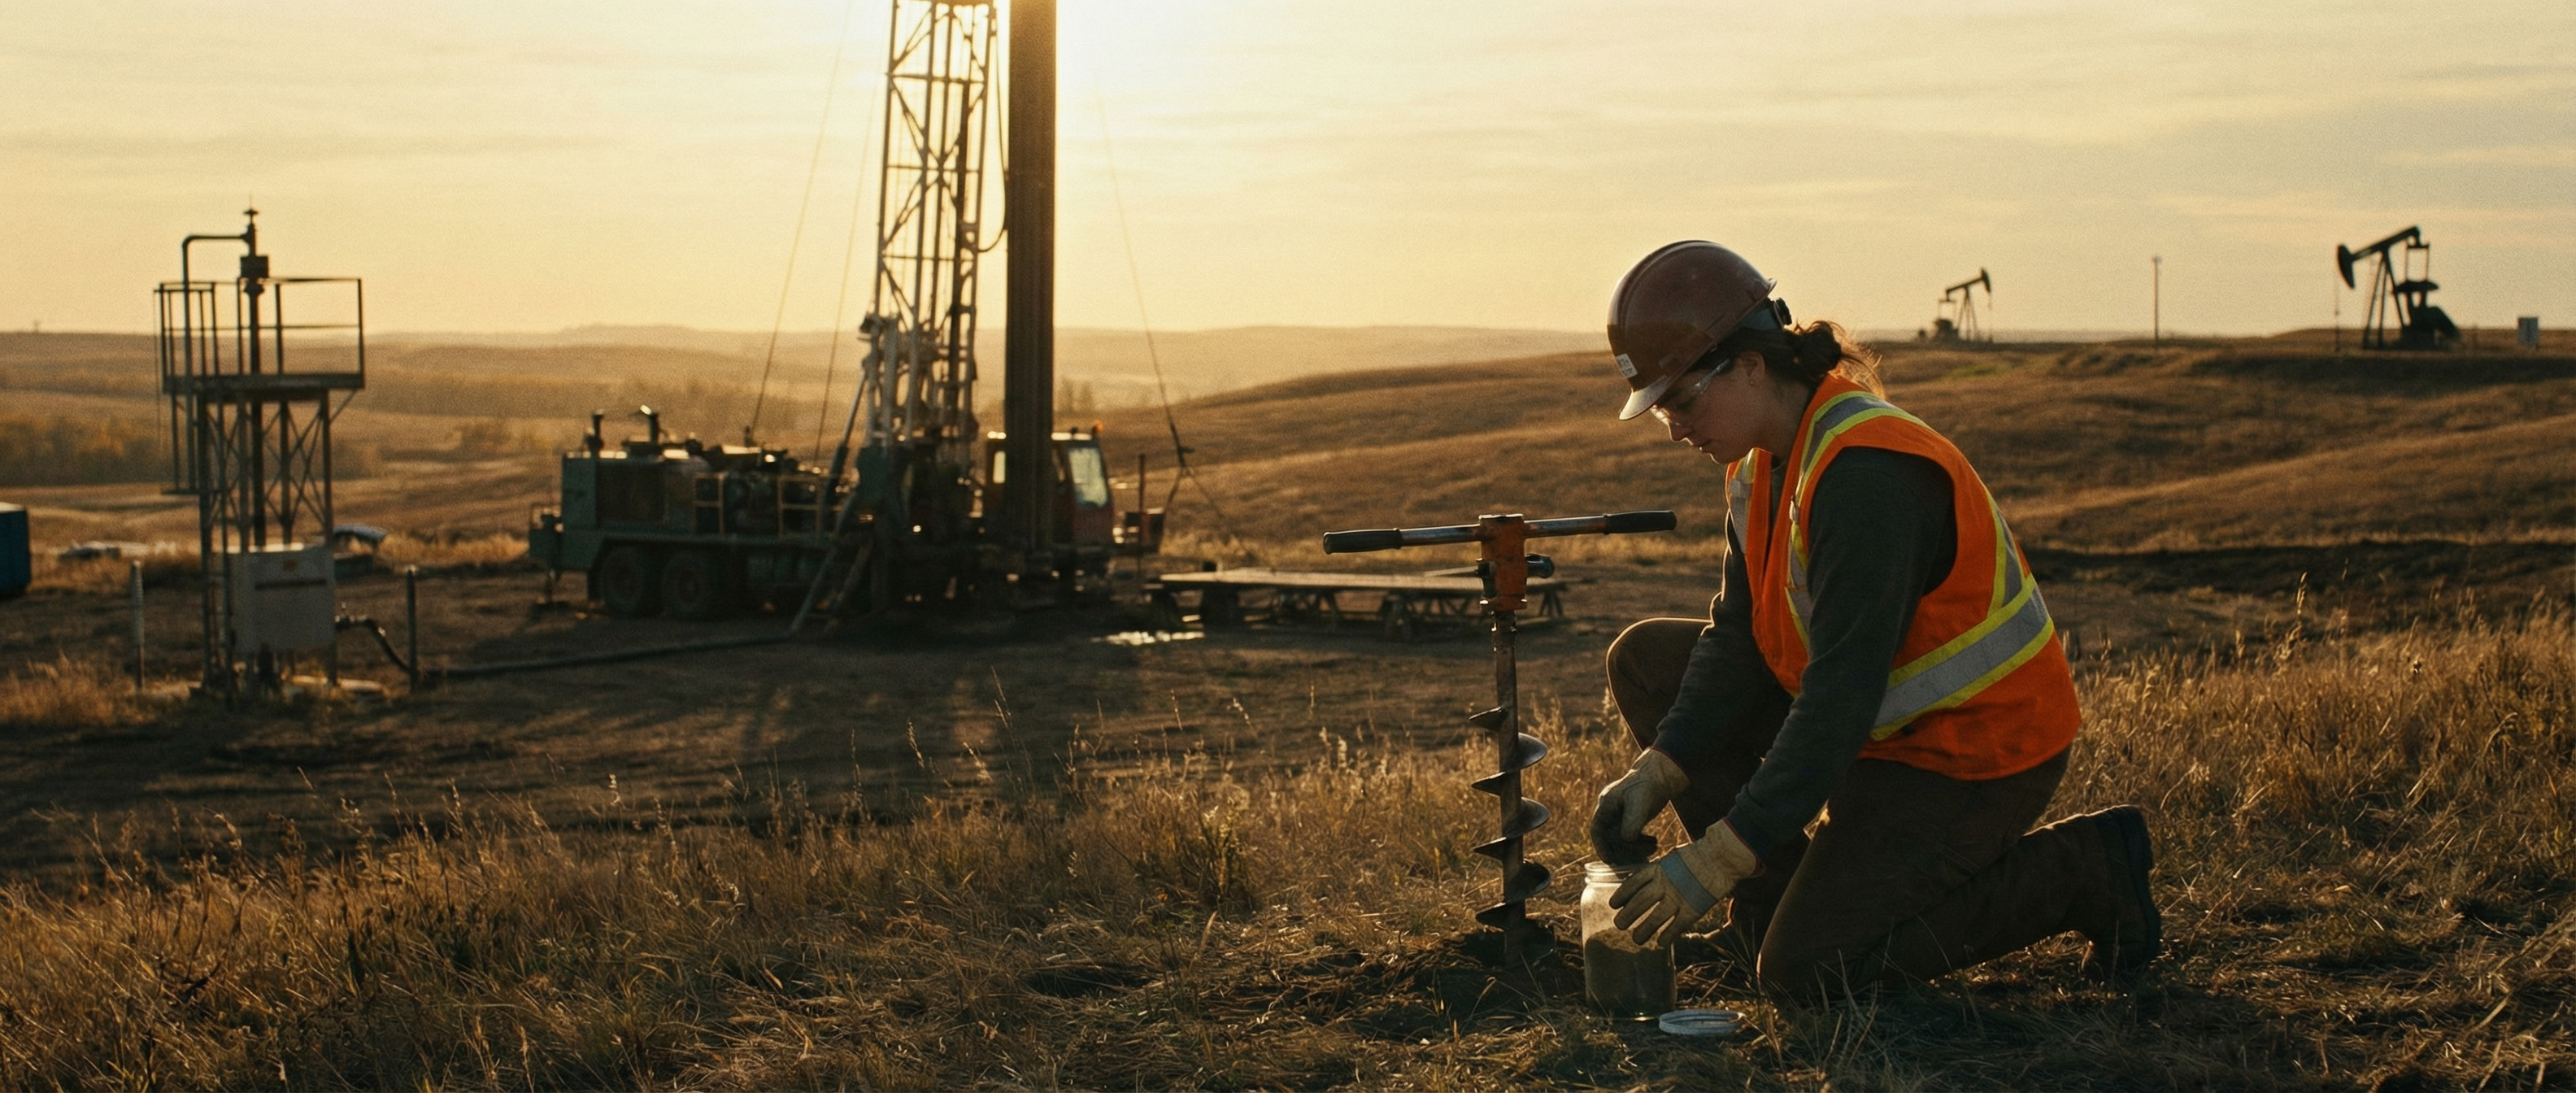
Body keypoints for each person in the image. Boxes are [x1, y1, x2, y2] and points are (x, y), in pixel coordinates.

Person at [1586, 241, 2160, 1000]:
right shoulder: (1759, 464)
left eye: (1683, 400)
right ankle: (1770, 905)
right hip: (1880, 733)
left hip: (1969, 753)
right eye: (1660, 409)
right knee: (1648, 661)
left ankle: (2086, 871)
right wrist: (1662, 766)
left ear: (1751, 366)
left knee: (1808, 972)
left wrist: (1719, 856)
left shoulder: (1866, 478)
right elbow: (1738, 638)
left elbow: (1839, 700)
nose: (1673, 428)